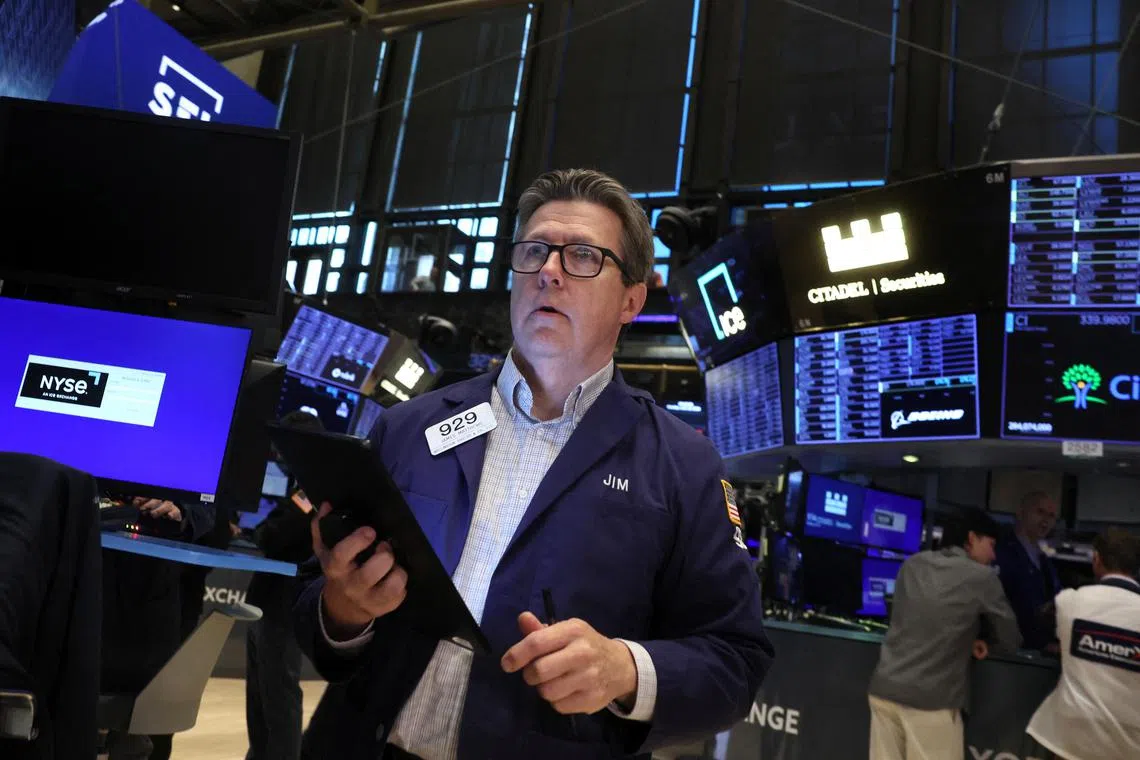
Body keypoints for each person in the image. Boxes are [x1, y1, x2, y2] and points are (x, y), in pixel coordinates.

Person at [294, 168, 773, 760]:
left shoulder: (682, 463)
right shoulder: (408, 427)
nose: (549, 270)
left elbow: (734, 658)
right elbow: (316, 602)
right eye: (535, 251)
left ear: (631, 299)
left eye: (582, 257)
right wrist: (344, 610)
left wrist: (626, 670)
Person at [867, 508, 1021, 760]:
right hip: (931, 703)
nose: (993, 555)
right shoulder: (982, 577)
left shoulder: (911, 564)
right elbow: (1010, 639)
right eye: (991, 545)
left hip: (884, 690)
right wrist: (986, 645)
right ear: (972, 538)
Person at [101, 496, 214, 760]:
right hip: (83, 594)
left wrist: (182, 511)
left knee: (147, 732)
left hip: (154, 608)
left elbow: (209, 513)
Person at [245, 410, 326, 760]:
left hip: (282, 605)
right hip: (268, 601)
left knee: (278, 698)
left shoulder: (314, 485)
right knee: (262, 696)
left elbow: (275, 535)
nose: (278, 454)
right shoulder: (305, 482)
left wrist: (260, 532)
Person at [1025, 527, 1140, 760]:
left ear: (1096, 559)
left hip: (1072, 739)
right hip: (1130, 743)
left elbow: (1035, 627)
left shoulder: (1070, 602)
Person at [995, 491, 1062, 651]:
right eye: (1040, 512)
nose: (1046, 520)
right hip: (1010, 648)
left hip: (1039, 649)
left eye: (1051, 516)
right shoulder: (1001, 552)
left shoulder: (1045, 560)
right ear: (1021, 512)